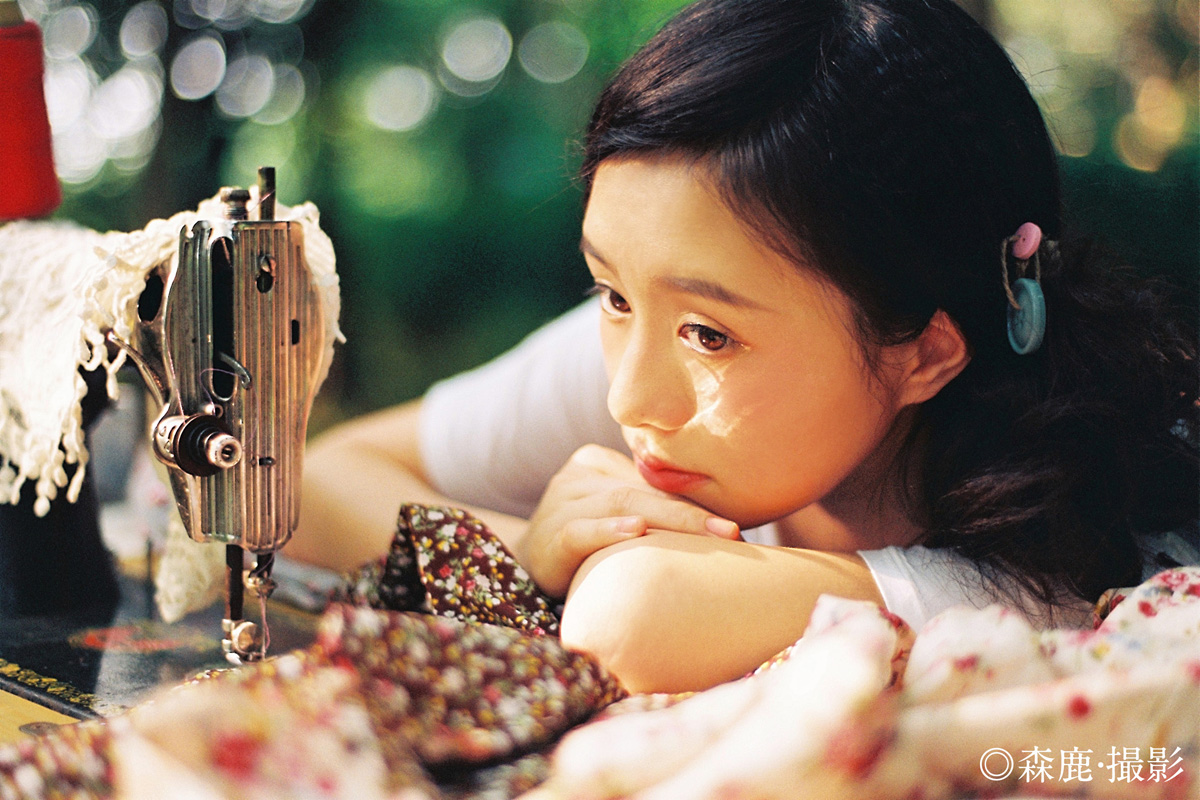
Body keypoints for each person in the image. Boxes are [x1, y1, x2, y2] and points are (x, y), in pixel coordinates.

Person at [292, 0, 1199, 694]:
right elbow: (316, 481)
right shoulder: (657, 334)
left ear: (925, 353)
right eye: (611, 291)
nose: (628, 398)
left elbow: (630, 616)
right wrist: (529, 545)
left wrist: (513, 567)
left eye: (710, 336)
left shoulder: (1051, 575)